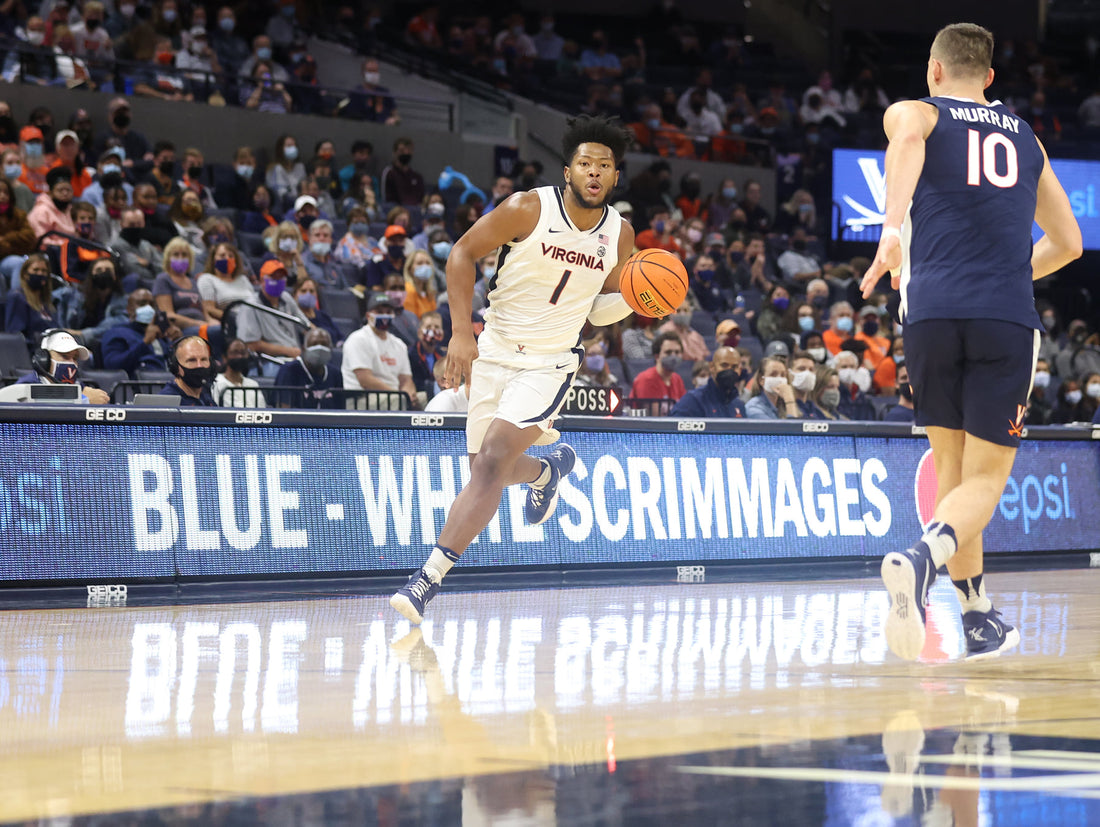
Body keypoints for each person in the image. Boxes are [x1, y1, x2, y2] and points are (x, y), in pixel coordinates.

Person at [857, 23, 1082, 662]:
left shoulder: (916, 112)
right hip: (1002, 317)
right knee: (984, 482)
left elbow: (903, 138)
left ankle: (977, 614)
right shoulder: (1027, 137)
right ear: (988, 77)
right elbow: (1068, 243)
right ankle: (922, 559)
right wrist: (1010, 272)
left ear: (934, 72)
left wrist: (892, 227)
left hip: (928, 314)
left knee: (954, 477)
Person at [390, 115, 636, 625]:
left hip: (550, 362)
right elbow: (461, 254)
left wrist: (642, 300)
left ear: (615, 177)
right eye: (585, 164)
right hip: (496, 349)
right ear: (568, 172)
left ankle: (426, 580)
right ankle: (549, 469)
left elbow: (603, 306)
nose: (594, 173)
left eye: (604, 166)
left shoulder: (620, 235)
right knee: (490, 467)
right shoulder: (528, 207)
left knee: (491, 461)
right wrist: (461, 334)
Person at [341, 290, 419, 405]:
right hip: (364, 398)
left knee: (424, 400)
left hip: (394, 396)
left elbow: (406, 379)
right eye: (379, 311)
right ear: (368, 315)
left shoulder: (399, 344)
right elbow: (365, 380)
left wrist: (410, 395)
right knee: (400, 402)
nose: (385, 316)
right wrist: (399, 395)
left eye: (388, 312)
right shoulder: (358, 339)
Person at [237, 259, 311, 377]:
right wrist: (288, 351)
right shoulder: (250, 305)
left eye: (281, 278)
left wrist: (320, 337)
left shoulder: (286, 298)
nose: (277, 281)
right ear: (262, 280)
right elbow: (250, 344)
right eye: (273, 277)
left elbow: (306, 326)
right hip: (268, 362)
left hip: (295, 359)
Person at [14, 329, 110, 404]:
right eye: (65, 356)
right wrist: (82, 401)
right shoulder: (26, 384)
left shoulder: (78, 385)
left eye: (75, 358)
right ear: (44, 358)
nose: (71, 363)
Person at [101, 288, 181, 375]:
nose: (148, 308)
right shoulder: (116, 333)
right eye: (142, 303)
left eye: (151, 304)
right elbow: (112, 366)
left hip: (167, 380)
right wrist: (144, 343)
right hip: (138, 385)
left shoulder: (160, 335)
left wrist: (178, 342)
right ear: (129, 309)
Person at [273, 326, 340, 408]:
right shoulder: (289, 371)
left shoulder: (336, 374)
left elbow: (340, 411)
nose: (320, 348)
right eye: (314, 344)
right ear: (304, 349)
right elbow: (283, 411)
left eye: (324, 345)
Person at [670, 346, 746, 417]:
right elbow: (672, 428)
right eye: (724, 365)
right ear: (712, 367)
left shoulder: (739, 405)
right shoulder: (693, 401)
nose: (729, 370)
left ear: (739, 370)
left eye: (734, 367)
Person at [5, 253, 60, 348]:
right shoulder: (17, 297)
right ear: (25, 274)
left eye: (44, 271)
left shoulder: (47, 301)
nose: (40, 274)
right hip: (33, 353)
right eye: (36, 270)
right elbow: (16, 334)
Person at [627, 331, 686, 413]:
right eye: (668, 352)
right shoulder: (646, 380)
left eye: (677, 352)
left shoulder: (677, 379)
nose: (673, 357)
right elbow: (655, 417)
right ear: (657, 356)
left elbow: (685, 411)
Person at [160, 334, 217, 405]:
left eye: (203, 359)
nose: (199, 365)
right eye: (192, 360)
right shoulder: (167, 401)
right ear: (176, 366)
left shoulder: (206, 395)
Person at [212, 337, 265, 407]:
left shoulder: (253, 384)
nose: (240, 356)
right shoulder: (217, 383)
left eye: (243, 353)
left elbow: (262, 409)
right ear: (224, 357)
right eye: (235, 352)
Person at [745, 355, 800, 419]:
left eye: (783, 375)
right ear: (761, 380)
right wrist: (789, 400)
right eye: (773, 374)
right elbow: (792, 428)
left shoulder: (782, 405)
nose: (779, 379)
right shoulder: (754, 407)